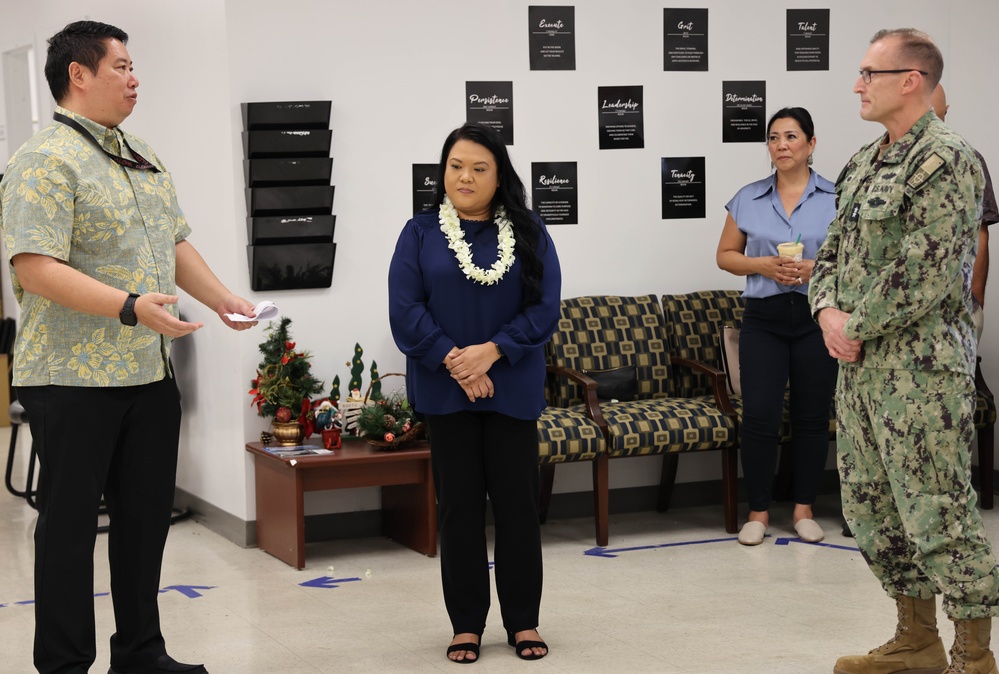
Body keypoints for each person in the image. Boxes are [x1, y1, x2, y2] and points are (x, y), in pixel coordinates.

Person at [0, 21, 257, 674]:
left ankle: (141, 653)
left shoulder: (138, 152)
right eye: (121, 66)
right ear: (79, 75)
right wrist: (126, 306)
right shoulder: (43, 159)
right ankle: (63, 664)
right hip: (68, 377)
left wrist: (222, 296)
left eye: (134, 65)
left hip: (144, 371)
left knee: (142, 523)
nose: (135, 77)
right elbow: (33, 267)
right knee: (70, 529)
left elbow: (172, 242)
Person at [809, 28, 999, 674]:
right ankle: (915, 639)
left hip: (920, 376)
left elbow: (928, 269)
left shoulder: (948, 160)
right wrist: (826, 311)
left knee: (937, 511)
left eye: (868, 73)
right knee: (871, 506)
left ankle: (973, 654)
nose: (857, 85)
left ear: (909, 80)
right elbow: (828, 250)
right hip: (860, 374)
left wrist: (851, 322)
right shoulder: (864, 162)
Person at [388, 123, 561, 663]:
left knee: (516, 506)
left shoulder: (530, 231)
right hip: (446, 388)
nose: (465, 176)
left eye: (478, 168)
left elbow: (545, 308)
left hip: (510, 383)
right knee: (459, 508)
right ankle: (466, 624)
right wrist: (454, 359)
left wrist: (492, 351)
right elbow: (405, 308)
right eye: (456, 166)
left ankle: (523, 623)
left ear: (499, 175)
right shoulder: (419, 232)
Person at [716, 107, 838, 546]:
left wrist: (816, 268)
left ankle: (804, 508)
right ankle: (759, 511)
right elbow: (726, 255)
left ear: (810, 143)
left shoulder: (837, 196)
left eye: (790, 136)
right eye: (773, 138)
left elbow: (856, 259)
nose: (781, 145)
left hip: (816, 317)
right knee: (761, 416)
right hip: (763, 319)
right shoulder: (748, 196)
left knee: (811, 415)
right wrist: (762, 265)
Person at [930, 83, 999, 341]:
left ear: (947, 112)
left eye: (937, 117)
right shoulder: (884, 159)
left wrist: (976, 299)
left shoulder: (967, 159)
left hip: (955, 305)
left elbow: (980, 232)